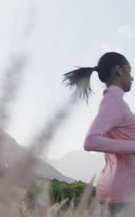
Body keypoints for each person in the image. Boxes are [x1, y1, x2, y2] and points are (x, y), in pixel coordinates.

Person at [63, 52, 134, 216]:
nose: (132, 78)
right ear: (119, 70)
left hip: (118, 190)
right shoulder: (114, 102)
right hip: (123, 195)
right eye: (130, 71)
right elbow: (91, 141)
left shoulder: (114, 102)